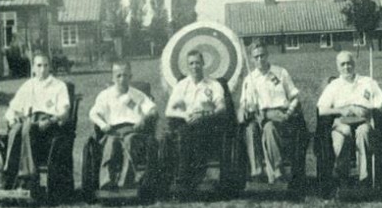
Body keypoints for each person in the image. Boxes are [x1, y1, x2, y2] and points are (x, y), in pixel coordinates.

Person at [0, 52, 70, 189]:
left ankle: (28, 177)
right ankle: (9, 174)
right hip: (29, 122)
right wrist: (12, 119)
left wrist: (51, 120)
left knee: (27, 127)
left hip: (48, 127)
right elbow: (12, 109)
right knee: (16, 129)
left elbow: (64, 113)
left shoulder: (59, 86)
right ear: (33, 68)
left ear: (50, 67)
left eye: (46, 65)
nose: (42, 70)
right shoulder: (28, 85)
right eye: (39, 65)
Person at [317, 51, 382, 183]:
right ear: (338, 67)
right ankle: (342, 176)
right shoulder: (334, 85)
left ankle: (364, 178)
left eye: (349, 63)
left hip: (363, 119)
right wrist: (341, 110)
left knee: (363, 132)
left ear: (354, 64)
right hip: (341, 121)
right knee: (344, 133)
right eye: (342, 64)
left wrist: (366, 109)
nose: (346, 67)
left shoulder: (367, 82)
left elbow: (380, 102)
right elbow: (321, 109)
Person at [238, 41, 301, 184]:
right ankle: (257, 172)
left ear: (267, 55)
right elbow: (244, 104)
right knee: (251, 129)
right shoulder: (249, 79)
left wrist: (289, 112)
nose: (260, 59)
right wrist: (245, 109)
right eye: (256, 57)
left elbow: (295, 97)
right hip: (258, 116)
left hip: (280, 116)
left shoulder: (280, 73)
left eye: (262, 55)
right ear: (252, 59)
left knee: (269, 128)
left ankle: (278, 172)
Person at [89, 60, 158, 190]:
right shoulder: (105, 95)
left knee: (130, 141)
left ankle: (126, 182)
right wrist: (103, 125)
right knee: (111, 143)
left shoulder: (138, 95)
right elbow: (93, 114)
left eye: (125, 75)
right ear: (112, 77)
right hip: (112, 131)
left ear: (130, 76)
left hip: (133, 130)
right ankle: (106, 181)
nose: (122, 79)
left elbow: (153, 110)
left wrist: (143, 119)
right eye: (118, 75)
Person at [165, 50, 226, 189]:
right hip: (186, 122)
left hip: (208, 123)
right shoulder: (181, 86)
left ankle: (197, 176)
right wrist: (185, 115)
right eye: (191, 63)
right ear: (187, 66)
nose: (194, 66)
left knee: (198, 133)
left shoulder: (213, 85)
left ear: (203, 63)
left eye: (197, 63)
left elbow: (221, 108)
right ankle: (184, 177)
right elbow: (168, 110)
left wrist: (204, 115)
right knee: (184, 134)